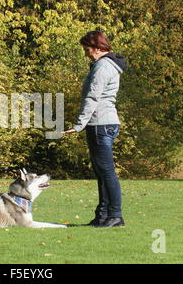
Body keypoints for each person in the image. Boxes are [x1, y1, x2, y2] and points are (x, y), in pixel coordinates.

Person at [61, 30, 128, 228]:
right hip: (103, 122)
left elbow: (92, 97)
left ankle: (115, 216)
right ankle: (103, 215)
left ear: (98, 48)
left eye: (87, 49)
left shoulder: (103, 66)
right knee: (101, 172)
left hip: (100, 123)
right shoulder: (104, 65)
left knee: (107, 172)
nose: (86, 53)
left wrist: (79, 124)